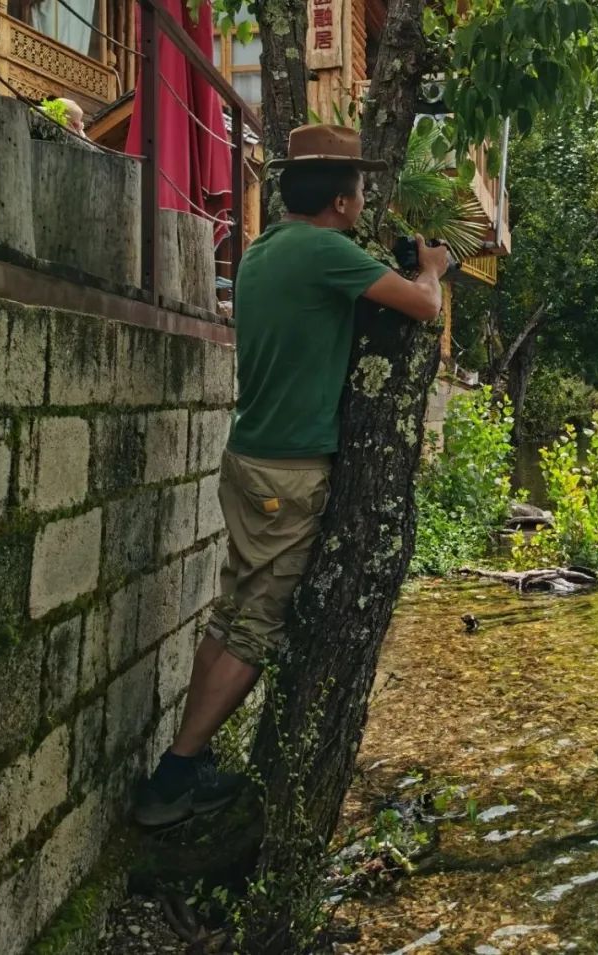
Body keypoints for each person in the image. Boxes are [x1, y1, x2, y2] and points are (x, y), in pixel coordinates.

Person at [135, 124, 450, 826]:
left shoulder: (267, 250)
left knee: (230, 610)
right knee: (257, 628)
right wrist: (432, 266)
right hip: (289, 474)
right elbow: (423, 307)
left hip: (247, 456)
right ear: (340, 200)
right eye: (363, 191)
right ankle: (173, 777)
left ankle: (190, 758)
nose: (366, 201)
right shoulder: (326, 251)